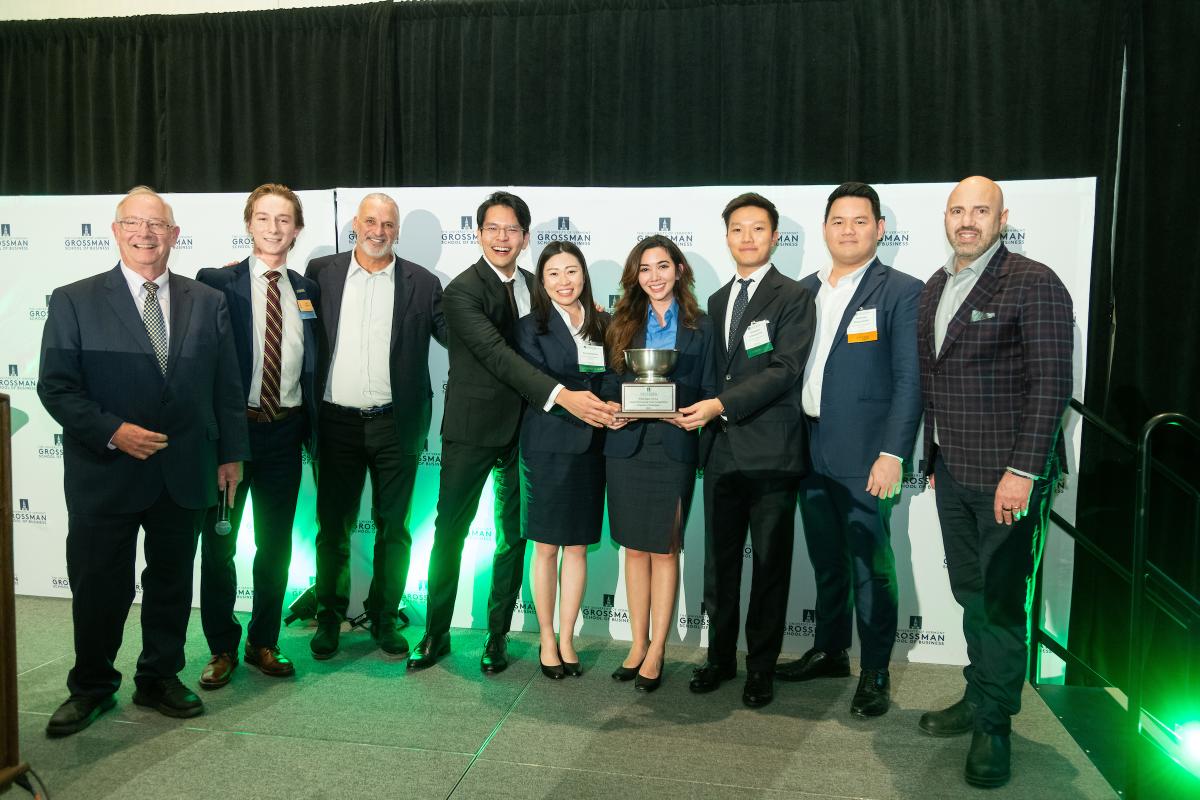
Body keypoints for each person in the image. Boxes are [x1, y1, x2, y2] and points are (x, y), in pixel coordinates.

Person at [38, 186, 249, 735]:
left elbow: (226, 386)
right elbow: (56, 387)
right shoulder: (74, 300)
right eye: (133, 223)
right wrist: (113, 431)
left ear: (174, 234)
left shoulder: (208, 301)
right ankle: (91, 685)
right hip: (105, 471)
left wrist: (231, 454)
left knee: (172, 583)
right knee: (100, 585)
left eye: (157, 225)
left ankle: (158, 677)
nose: (145, 234)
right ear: (116, 231)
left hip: (185, 470)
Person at [409, 191, 613, 674]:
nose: (502, 238)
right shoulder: (461, 291)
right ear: (479, 233)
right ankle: (436, 632)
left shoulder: (537, 285)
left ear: (525, 237)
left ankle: (497, 635)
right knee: (451, 532)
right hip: (473, 429)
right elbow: (498, 357)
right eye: (493, 228)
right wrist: (563, 395)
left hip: (527, 433)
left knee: (513, 537)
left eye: (512, 229)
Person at [916, 176, 1072, 788]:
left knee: (1002, 602)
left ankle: (995, 725)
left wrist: (1024, 472)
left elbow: (1051, 384)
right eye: (957, 210)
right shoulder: (935, 286)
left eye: (980, 210)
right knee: (971, 593)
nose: (967, 220)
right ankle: (979, 693)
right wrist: (932, 460)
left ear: (1002, 218)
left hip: (1009, 477)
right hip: (953, 472)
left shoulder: (1034, 281)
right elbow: (934, 381)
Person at [775, 182, 922, 718]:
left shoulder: (902, 291)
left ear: (879, 229)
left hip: (866, 455)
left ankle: (875, 670)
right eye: (838, 221)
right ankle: (831, 650)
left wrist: (893, 453)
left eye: (860, 221)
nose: (848, 230)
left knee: (870, 566)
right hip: (806, 447)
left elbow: (909, 380)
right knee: (826, 559)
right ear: (824, 229)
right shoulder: (801, 291)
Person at [677, 193, 815, 709]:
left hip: (772, 452)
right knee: (720, 565)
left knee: (771, 566)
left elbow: (786, 369)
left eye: (758, 228)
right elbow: (712, 372)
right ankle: (719, 658)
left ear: (775, 237)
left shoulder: (794, 296)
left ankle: (761, 667)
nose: (748, 237)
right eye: (738, 229)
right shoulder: (715, 301)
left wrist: (721, 405)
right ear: (727, 237)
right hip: (720, 452)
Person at [304, 192, 447, 660]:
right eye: (371, 221)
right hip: (335, 423)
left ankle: (384, 615)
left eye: (388, 224)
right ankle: (329, 615)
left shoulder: (424, 283)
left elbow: (458, 335)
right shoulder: (320, 274)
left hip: (396, 424)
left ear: (397, 230)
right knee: (332, 528)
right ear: (355, 224)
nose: (378, 231)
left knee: (395, 528)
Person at [193, 183, 320, 689]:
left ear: (297, 229)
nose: (273, 227)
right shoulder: (215, 283)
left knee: (275, 546)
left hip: (285, 433)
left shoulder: (307, 290)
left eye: (284, 219)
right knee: (220, 545)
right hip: (232, 435)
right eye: (264, 218)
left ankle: (263, 640)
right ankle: (222, 646)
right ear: (249, 224)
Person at [602, 235, 715, 692]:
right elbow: (607, 381)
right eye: (645, 269)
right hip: (627, 447)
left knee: (666, 550)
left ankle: (658, 649)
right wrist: (614, 407)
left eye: (663, 266)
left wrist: (690, 412)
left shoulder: (702, 325)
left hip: (674, 446)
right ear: (636, 276)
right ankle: (637, 643)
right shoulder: (620, 323)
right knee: (633, 549)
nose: (655, 276)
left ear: (679, 270)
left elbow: (710, 386)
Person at [514, 241, 610, 680]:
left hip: (593, 448)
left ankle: (568, 637)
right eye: (553, 273)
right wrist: (581, 402)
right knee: (547, 547)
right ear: (542, 280)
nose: (564, 281)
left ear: (583, 275)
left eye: (572, 271)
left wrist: (613, 403)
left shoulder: (603, 323)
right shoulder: (529, 327)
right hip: (547, 446)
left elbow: (613, 375)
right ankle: (547, 638)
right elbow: (535, 381)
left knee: (577, 547)